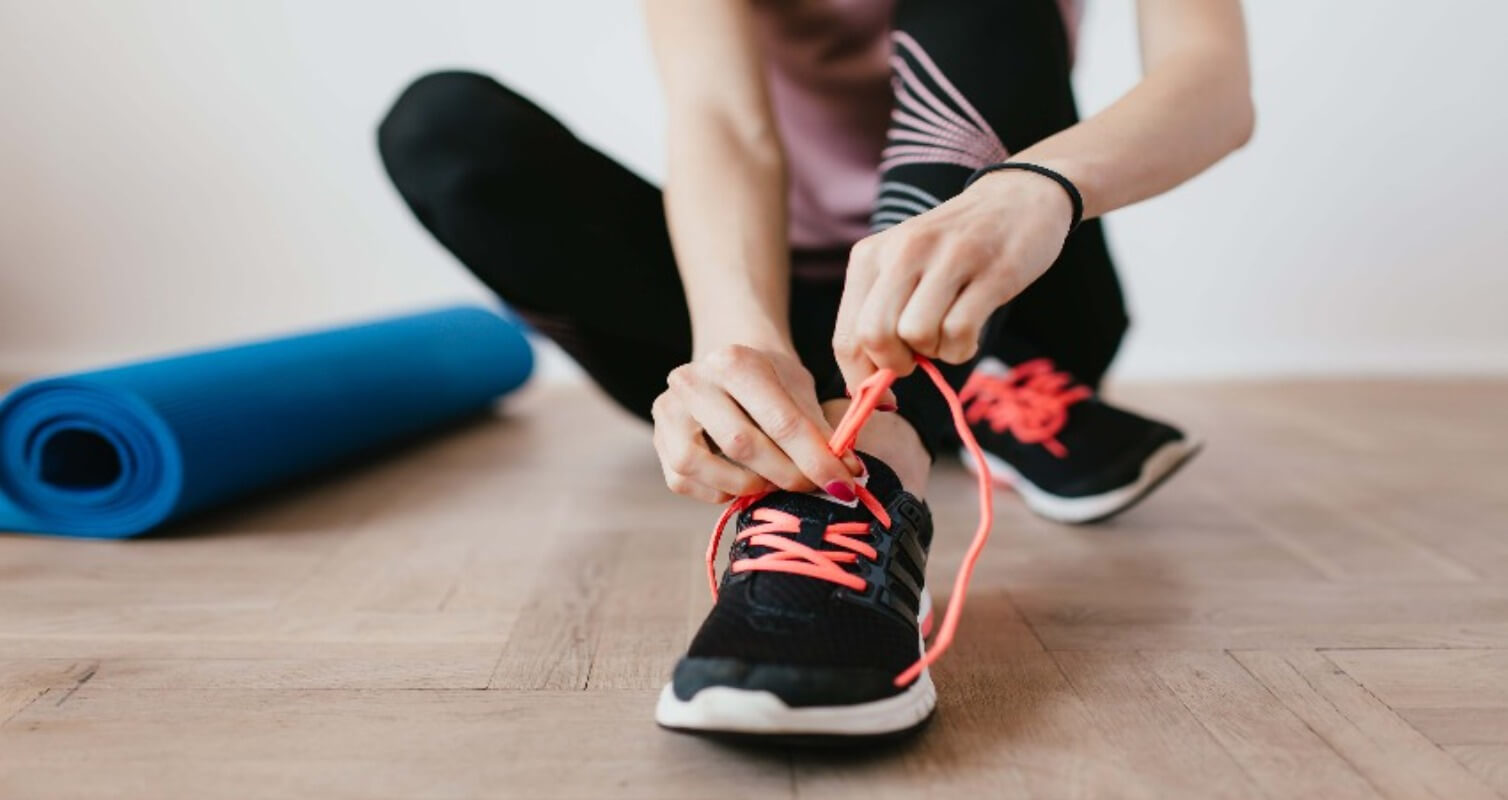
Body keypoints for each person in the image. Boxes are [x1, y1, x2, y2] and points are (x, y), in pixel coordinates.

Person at [379, 0, 1252, 742]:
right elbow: (722, 121)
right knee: (444, 130)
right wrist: (740, 346)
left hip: (1005, 279)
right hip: (788, 296)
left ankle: (904, 437)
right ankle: (831, 436)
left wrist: (1032, 190)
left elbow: (1211, 83)